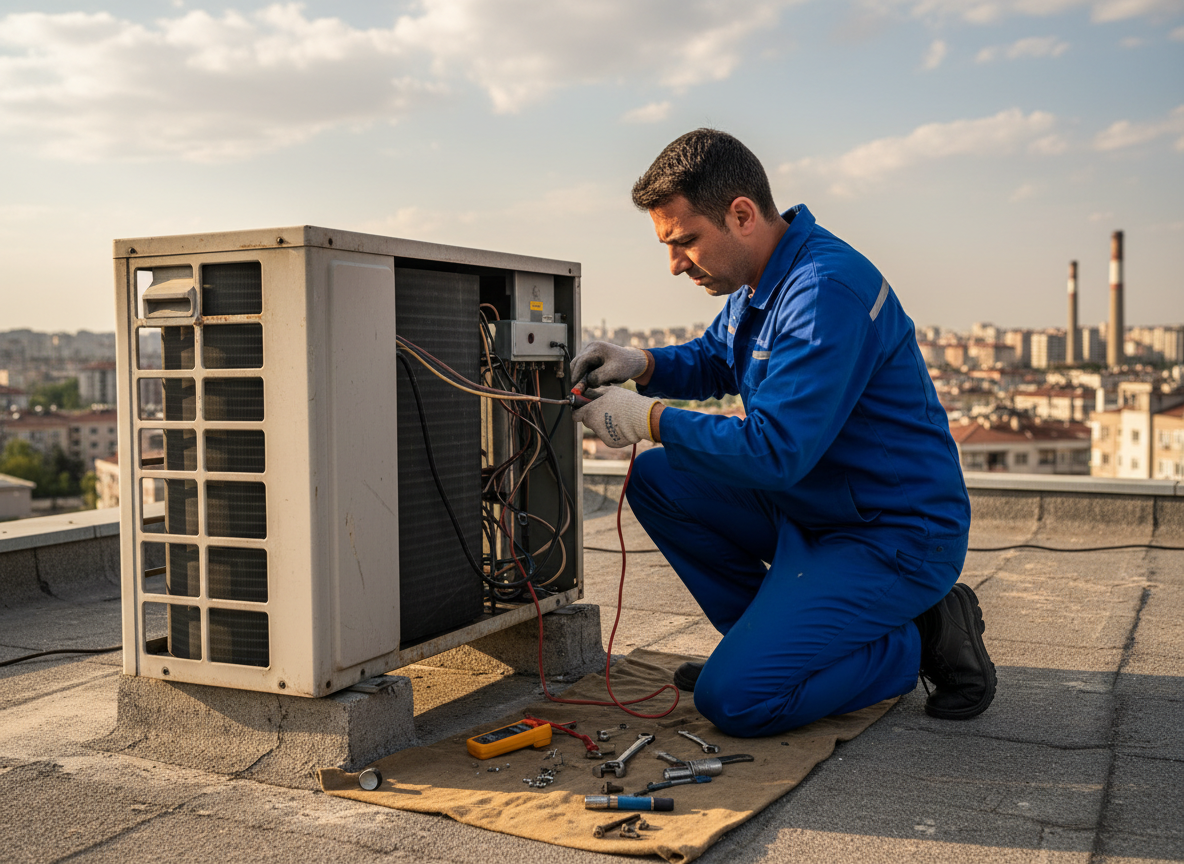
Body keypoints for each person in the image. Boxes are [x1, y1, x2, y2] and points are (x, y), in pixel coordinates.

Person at [571, 129, 995, 738]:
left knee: (736, 702)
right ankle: (771, 646)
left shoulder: (823, 290)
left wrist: (647, 418)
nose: (675, 264)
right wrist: (640, 363)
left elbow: (774, 452)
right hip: (818, 505)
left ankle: (916, 639)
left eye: (685, 241)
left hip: (890, 534)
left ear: (741, 215)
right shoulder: (763, 278)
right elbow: (716, 359)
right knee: (659, 478)